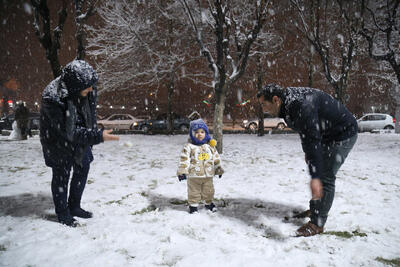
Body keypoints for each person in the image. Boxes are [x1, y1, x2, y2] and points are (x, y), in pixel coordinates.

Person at [257, 83, 358, 237]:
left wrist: (315, 176)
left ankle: (317, 223)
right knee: (318, 170)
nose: (263, 109)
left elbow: (311, 136)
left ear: (276, 99)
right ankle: (316, 209)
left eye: (264, 104)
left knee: (325, 177)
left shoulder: (301, 106)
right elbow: (306, 133)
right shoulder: (286, 104)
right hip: (325, 134)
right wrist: (309, 155)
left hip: (342, 134)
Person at [40, 60, 120, 227]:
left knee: (83, 167)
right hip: (57, 141)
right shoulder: (52, 98)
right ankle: (62, 214)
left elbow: (90, 112)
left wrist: (91, 132)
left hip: (80, 140)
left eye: (92, 85)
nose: (92, 89)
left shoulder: (87, 87)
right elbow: (69, 132)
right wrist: (98, 136)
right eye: (88, 87)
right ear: (75, 87)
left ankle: (74, 206)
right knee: (61, 175)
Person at [177, 119, 224, 213]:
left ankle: (208, 203)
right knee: (194, 192)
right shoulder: (189, 147)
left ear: (206, 133)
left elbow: (216, 158)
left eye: (202, 132)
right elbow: (184, 160)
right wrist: (182, 171)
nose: (200, 134)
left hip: (208, 175)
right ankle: (193, 206)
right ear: (191, 133)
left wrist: (218, 169)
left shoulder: (210, 146)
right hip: (194, 175)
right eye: (196, 132)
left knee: (209, 191)